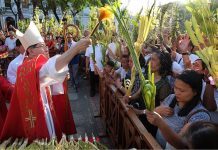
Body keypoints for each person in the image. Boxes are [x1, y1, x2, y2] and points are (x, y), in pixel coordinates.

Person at [0, 21, 91, 142]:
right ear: (31, 51)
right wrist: (76, 48)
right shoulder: (27, 69)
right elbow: (49, 70)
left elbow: (51, 76)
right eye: (42, 46)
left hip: (46, 110)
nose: (46, 48)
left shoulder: (32, 65)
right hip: (38, 118)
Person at [145, 70, 211, 149]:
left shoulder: (200, 115)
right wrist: (156, 111)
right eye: (175, 88)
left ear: (195, 92)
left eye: (182, 90)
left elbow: (180, 144)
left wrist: (160, 123)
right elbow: (153, 117)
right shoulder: (171, 97)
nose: (177, 92)